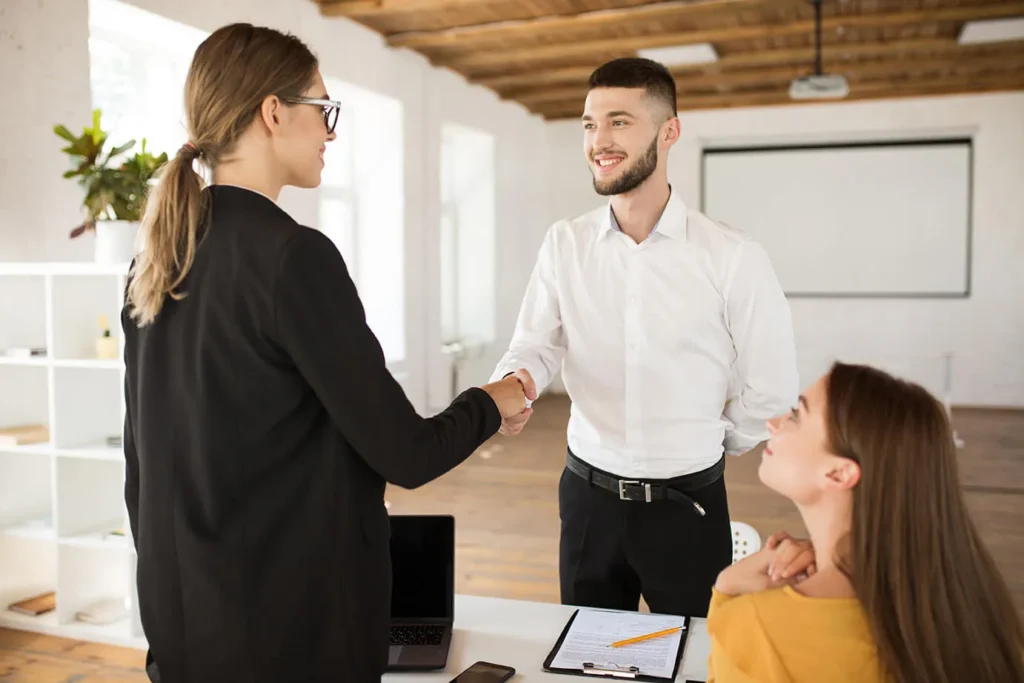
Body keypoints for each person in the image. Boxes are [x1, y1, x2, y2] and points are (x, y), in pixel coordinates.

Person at [120, 23, 528, 683]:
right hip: (286, 638)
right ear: (273, 112)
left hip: (184, 631)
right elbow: (407, 453)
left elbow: (141, 470)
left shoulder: (156, 258)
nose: (330, 133)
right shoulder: (292, 257)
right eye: (322, 109)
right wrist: (491, 400)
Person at [490, 56, 799, 619]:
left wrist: (705, 440)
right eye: (589, 124)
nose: (599, 141)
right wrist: (517, 382)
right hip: (586, 501)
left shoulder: (733, 255)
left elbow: (771, 388)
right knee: (586, 654)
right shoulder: (564, 243)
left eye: (619, 121)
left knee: (697, 654)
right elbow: (535, 344)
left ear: (669, 131)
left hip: (688, 507)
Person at [708, 362, 1024, 683]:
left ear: (838, 473)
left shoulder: (759, 628)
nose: (773, 424)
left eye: (796, 416)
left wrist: (726, 590)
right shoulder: (980, 611)